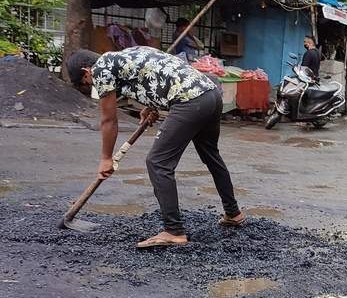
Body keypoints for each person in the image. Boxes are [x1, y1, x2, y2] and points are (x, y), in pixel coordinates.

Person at [66, 47, 244, 248]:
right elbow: (159, 74)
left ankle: (173, 231)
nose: (93, 86)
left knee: (158, 162)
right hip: (210, 95)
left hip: (190, 101)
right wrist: (152, 106)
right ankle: (233, 213)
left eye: (87, 83)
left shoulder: (101, 69)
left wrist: (106, 158)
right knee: (210, 155)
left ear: (86, 71)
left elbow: (108, 120)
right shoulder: (128, 55)